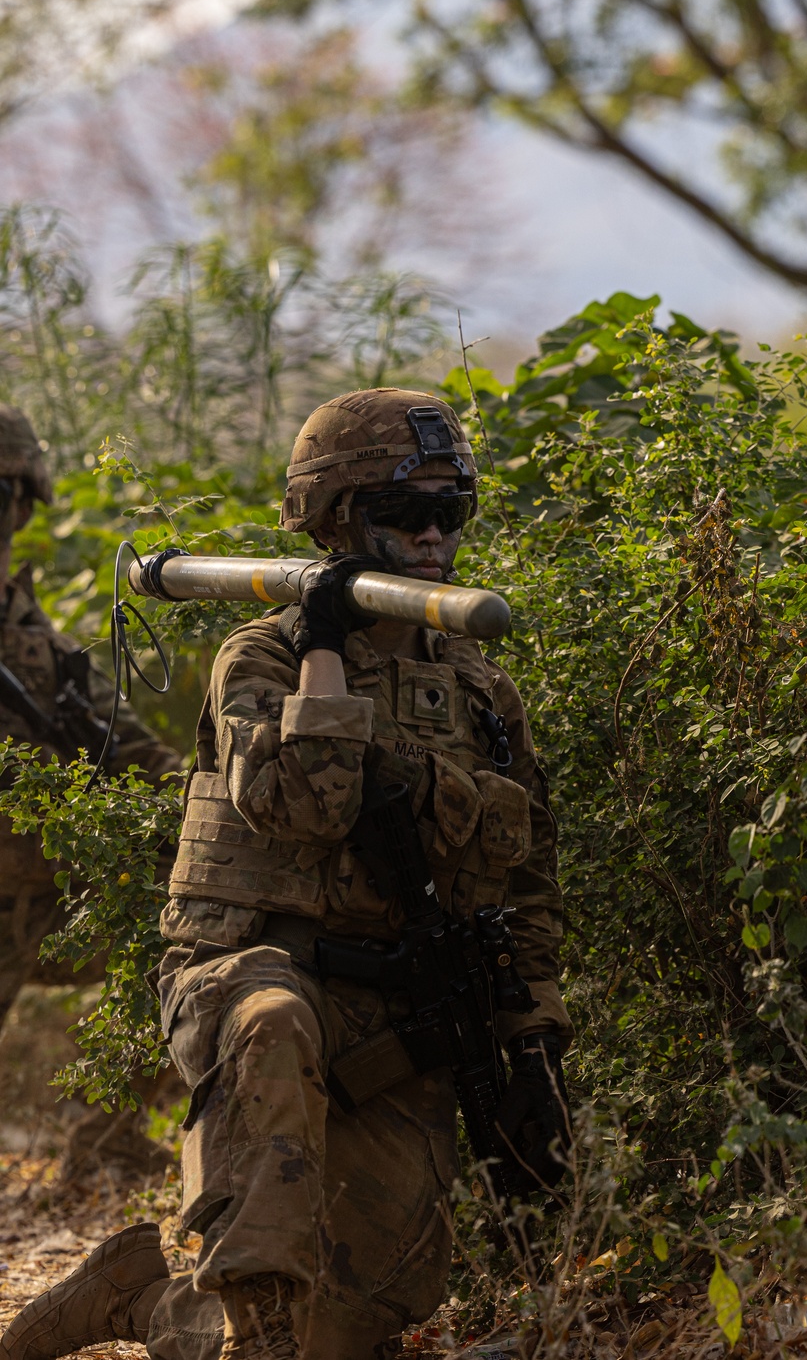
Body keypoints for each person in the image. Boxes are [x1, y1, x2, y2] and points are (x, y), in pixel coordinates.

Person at [1, 389, 573, 1360]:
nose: (434, 533)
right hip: (245, 974)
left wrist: (535, 1040)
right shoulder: (258, 656)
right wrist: (321, 649)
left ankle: (140, 1293)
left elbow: (531, 887)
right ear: (340, 518)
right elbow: (299, 806)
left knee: (339, 1336)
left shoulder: (479, 692)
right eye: (405, 511)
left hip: (394, 1014)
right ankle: (252, 1323)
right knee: (274, 1022)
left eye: (452, 510)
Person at [0, 405, 183, 1176]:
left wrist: (200, 793)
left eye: (8, 495)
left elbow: (135, 747)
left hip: (41, 908)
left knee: (190, 928)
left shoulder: (41, 646)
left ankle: (104, 1137)